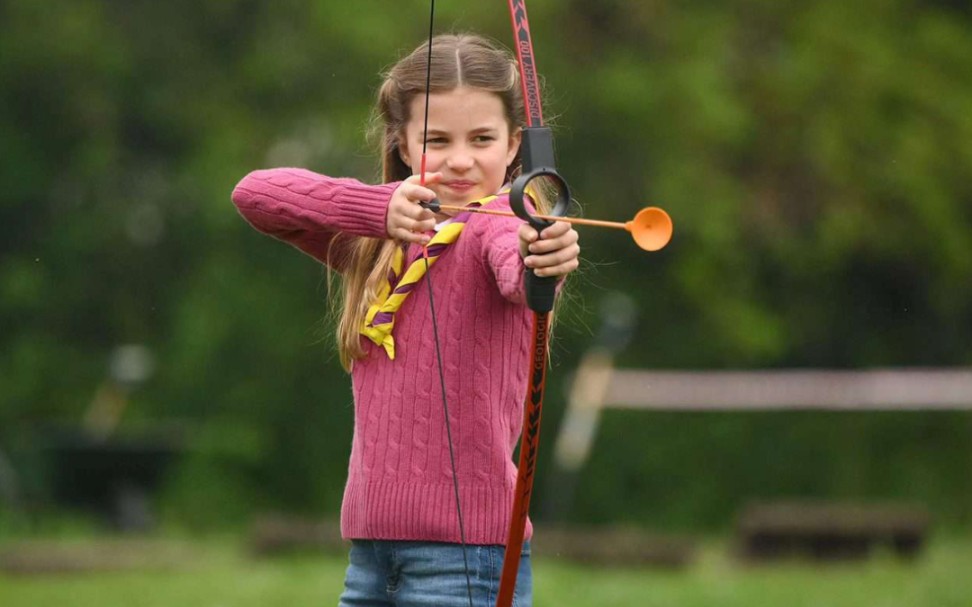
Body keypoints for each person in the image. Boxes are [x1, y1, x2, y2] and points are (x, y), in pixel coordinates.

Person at [231, 33, 580, 607]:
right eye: (436, 139)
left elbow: (519, 268)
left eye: (483, 139)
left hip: (467, 561)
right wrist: (377, 209)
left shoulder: (499, 221)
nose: (461, 158)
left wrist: (544, 255)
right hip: (370, 555)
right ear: (401, 139)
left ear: (517, 145)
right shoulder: (379, 238)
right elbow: (255, 195)